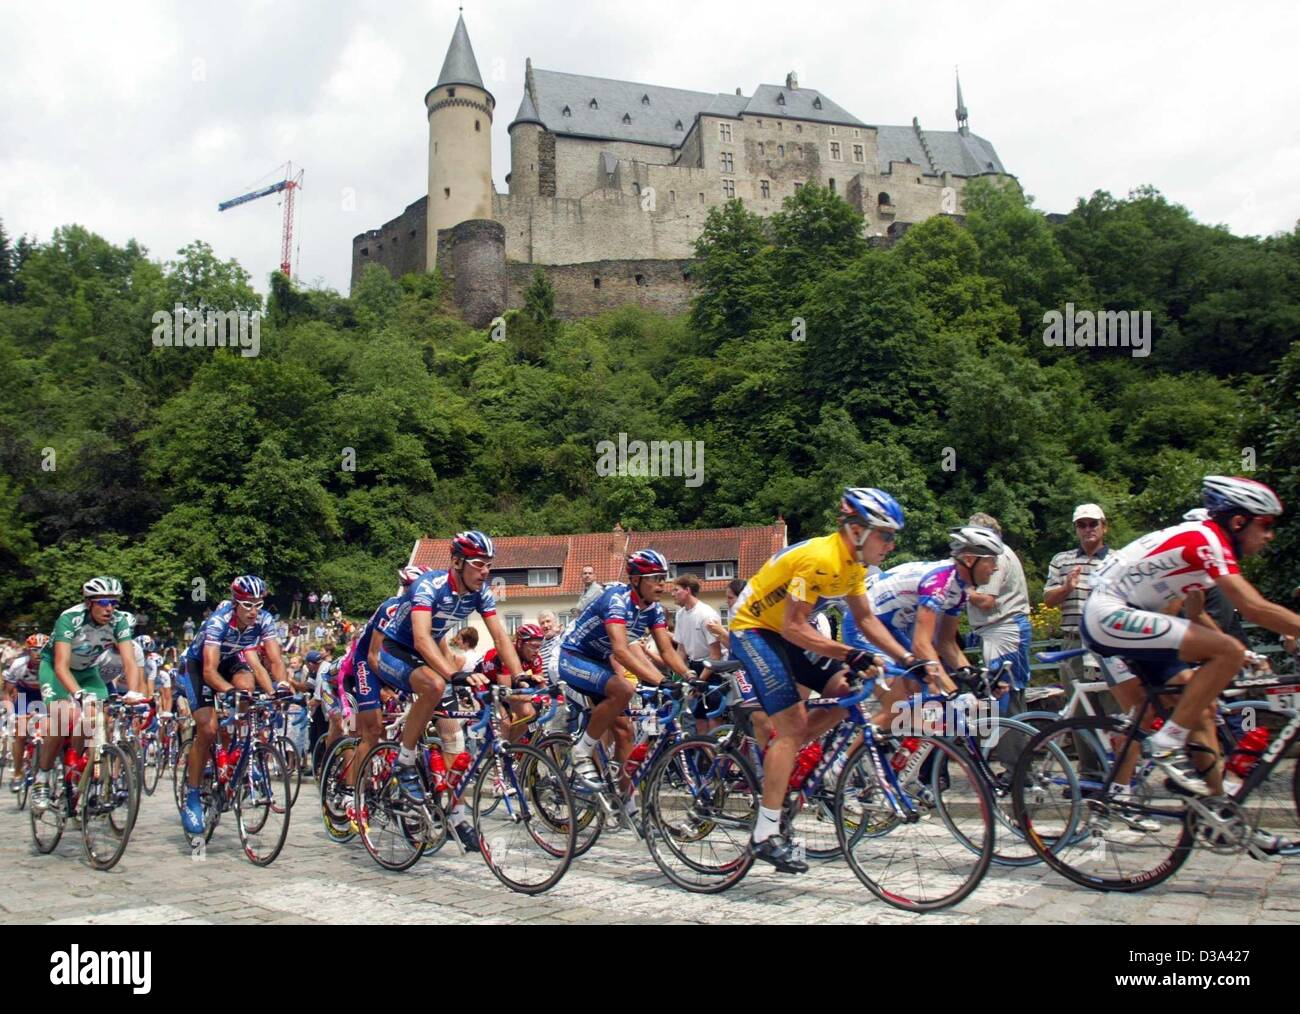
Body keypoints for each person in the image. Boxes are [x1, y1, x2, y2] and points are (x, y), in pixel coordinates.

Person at [1081, 477, 1300, 818]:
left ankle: (1220, 810)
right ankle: (1165, 743)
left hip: (1134, 616)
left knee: (1202, 706)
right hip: (1108, 613)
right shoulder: (1207, 540)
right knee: (1224, 652)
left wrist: (1242, 654)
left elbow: (1195, 613)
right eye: (1266, 525)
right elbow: (1254, 607)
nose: (1270, 535)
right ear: (1238, 521)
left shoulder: (1207, 548)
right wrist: (1230, 652)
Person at [729, 488, 918, 873]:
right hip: (754, 628)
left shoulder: (853, 566)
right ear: (857, 531)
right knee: (793, 725)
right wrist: (851, 653)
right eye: (886, 534)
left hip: (785, 631)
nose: (891, 544)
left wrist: (910, 659)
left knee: (845, 689)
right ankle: (765, 833)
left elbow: (866, 620)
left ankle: (790, 767)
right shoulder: (821, 559)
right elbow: (795, 627)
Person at [365, 532, 520, 851]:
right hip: (396, 651)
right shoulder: (429, 586)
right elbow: (421, 640)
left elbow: (501, 638)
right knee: (435, 684)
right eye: (479, 564)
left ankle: (457, 813)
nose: (485, 571)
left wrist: (519, 677)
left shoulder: (481, 592)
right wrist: (455, 675)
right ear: (457, 562)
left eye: (489, 565)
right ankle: (405, 762)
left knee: (453, 735)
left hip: (427, 656)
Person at [559, 550, 692, 825]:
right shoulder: (616, 599)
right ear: (634, 580)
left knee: (625, 731)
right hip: (573, 657)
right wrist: (660, 681)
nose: (661, 584)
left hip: (599, 662)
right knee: (624, 690)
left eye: (663, 578)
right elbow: (621, 650)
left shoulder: (653, 609)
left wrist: (689, 676)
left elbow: (667, 651)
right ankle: (582, 750)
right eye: (654, 578)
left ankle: (625, 798)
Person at [176, 576, 286, 836]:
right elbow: (210, 670)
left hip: (230, 662)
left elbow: (274, 658)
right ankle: (192, 796)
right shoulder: (218, 622)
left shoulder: (264, 620)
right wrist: (228, 691)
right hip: (199, 667)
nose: (254, 611)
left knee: (247, 685)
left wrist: (281, 686)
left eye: (258, 604)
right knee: (208, 728)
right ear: (235, 603)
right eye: (247, 605)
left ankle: (236, 750)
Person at [31, 577, 146, 813]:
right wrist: (78, 694)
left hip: (87, 672)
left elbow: (129, 661)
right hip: (55, 669)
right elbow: (62, 666)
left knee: (96, 720)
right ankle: (42, 778)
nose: (109, 608)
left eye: (114, 602)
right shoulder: (70, 618)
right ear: (89, 603)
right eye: (103, 602)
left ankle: (74, 771)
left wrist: (134, 692)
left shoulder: (119, 621)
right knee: (62, 718)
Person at [964, 513, 1032, 714]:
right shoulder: (1000, 553)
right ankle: (1015, 740)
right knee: (1005, 691)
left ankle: (1014, 743)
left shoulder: (997, 556)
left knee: (1004, 692)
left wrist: (962, 588)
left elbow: (986, 601)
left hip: (1004, 629)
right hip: (1000, 629)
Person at [1044, 503, 1111, 684]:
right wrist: (1066, 588)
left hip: (1107, 641)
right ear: (1076, 529)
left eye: (1093, 524)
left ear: (1104, 527)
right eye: (1082, 525)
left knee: (1112, 704)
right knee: (1078, 706)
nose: (1088, 529)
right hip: (1073, 642)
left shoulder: (1117, 560)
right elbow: (1048, 600)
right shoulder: (1061, 560)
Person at [4, 634, 48, 792]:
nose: (38, 653)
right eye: (34, 650)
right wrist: (11, 714)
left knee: (54, 730)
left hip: (45, 695)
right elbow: (7, 692)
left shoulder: (53, 663)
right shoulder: (18, 664)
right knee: (21, 733)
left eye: (42, 650)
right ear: (28, 651)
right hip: (25, 694)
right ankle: (17, 773)